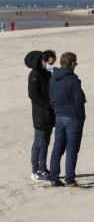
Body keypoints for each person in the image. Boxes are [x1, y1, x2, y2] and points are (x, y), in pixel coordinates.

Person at [48, 52, 86, 188]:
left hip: (59, 116)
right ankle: (69, 180)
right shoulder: (73, 79)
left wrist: (57, 110)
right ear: (71, 63)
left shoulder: (53, 78)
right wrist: (81, 117)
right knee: (71, 150)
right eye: (75, 63)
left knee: (57, 149)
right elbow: (79, 101)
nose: (75, 65)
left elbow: (51, 99)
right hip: (72, 117)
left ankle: (54, 179)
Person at [25, 50, 57, 181]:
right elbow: (33, 94)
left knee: (45, 142)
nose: (51, 65)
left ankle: (43, 168)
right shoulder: (35, 73)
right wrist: (46, 104)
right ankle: (35, 170)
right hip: (40, 112)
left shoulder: (47, 73)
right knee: (39, 141)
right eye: (50, 63)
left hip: (50, 112)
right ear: (43, 61)